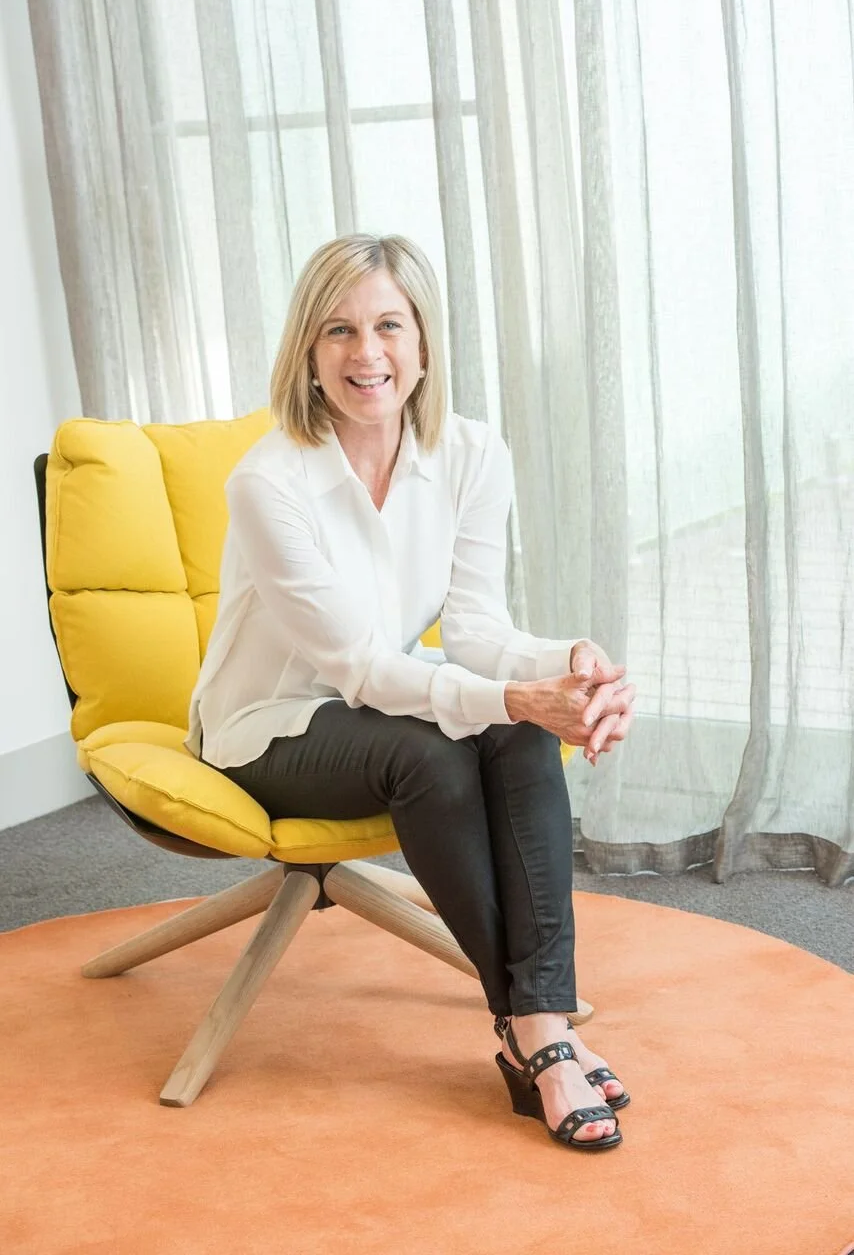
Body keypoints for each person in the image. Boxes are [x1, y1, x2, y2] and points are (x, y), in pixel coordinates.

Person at [186, 234, 636, 1151]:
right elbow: (356, 668)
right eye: (339, 330)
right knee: (435, 749)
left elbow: (473, 632)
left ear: (424, 343)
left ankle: (537, 1026)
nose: (367, 353)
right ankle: (535, 1033)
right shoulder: (268, 483)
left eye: (389, 325)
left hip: (375, 705)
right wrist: (514, 699)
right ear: (308, 354)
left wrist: (567, 664)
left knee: (507, 732)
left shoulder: (470, 454)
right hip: (269, 727)